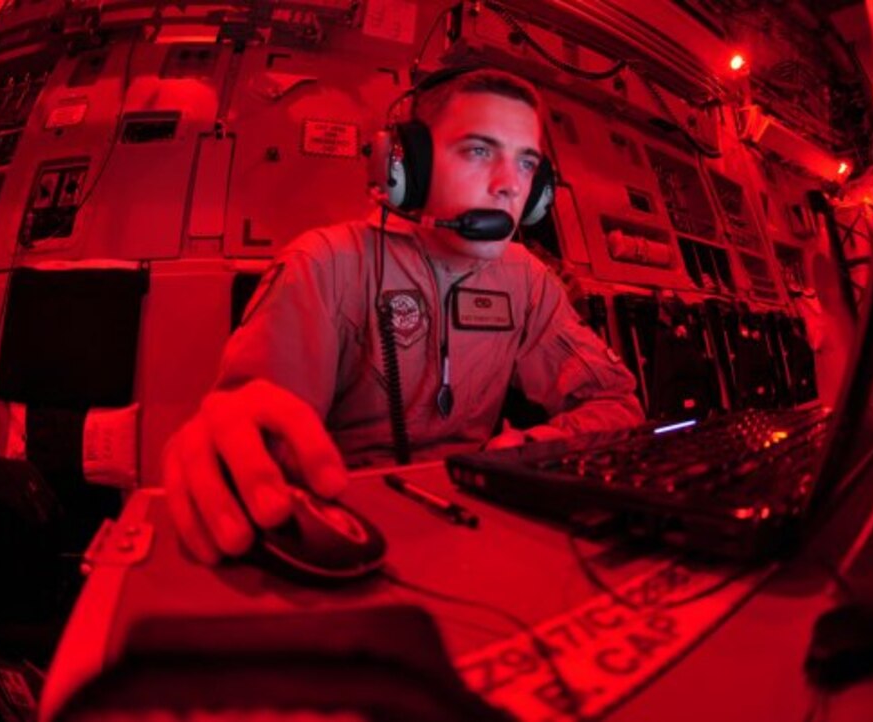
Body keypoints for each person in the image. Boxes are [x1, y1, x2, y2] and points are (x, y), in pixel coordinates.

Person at [162, 68, 644, 563]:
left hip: (477, 526)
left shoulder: (526, 278)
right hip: (353, 533)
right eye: (479, 151)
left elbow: (616, 402)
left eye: (526, 164)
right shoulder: (325, 263)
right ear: (405, 166)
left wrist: (531, 448)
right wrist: (233, 450)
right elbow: (255, 434)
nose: (509, 187)